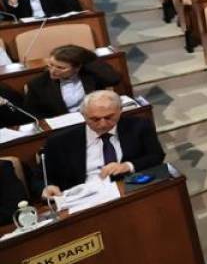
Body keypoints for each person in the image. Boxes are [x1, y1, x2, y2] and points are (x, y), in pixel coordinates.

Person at [36, 91, 164, 197]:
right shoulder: (59, 142)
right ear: (83, 115)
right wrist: (46, 187)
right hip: (83, 198)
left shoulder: (139, 126)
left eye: (109, 117)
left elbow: (156, 156)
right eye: (95, 119)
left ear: (120, 111)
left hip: (130, 189)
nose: (103, 124)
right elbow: (39, 177)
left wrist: (127, 166)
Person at [24, 45, 121, 118]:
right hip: (65, 125)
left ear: (77, 67)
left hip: (96, 117)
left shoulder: (89, 74)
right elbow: (34, 115)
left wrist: (90, 58)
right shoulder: (38, 84)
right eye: (51, 65)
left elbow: (113, 79)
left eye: (60, 68)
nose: (52, 71)